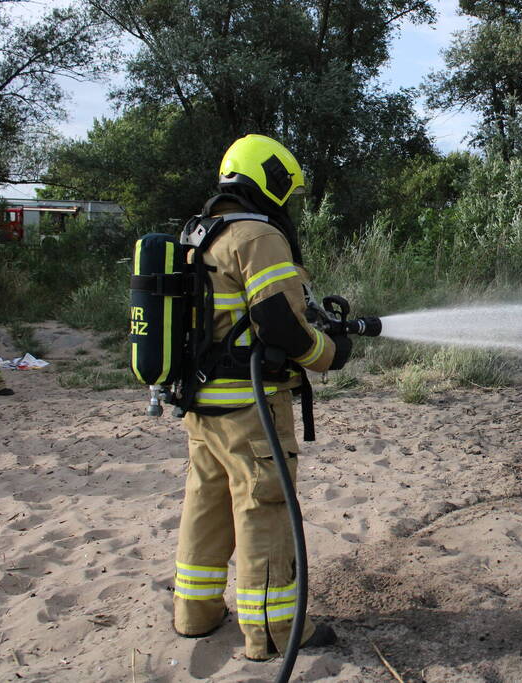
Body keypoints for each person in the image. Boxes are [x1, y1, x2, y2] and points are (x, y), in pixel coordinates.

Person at [172, 134, 350, 661]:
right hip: (251, 408)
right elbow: (281, 326)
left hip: (203, 404)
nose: (286, 205)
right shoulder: (257, 235)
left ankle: (195, 613)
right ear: (267, 180)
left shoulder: (200, 234)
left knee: (207, 502)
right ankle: (272, 632)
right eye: (285, 192)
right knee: (264, 506)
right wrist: (328, 353)